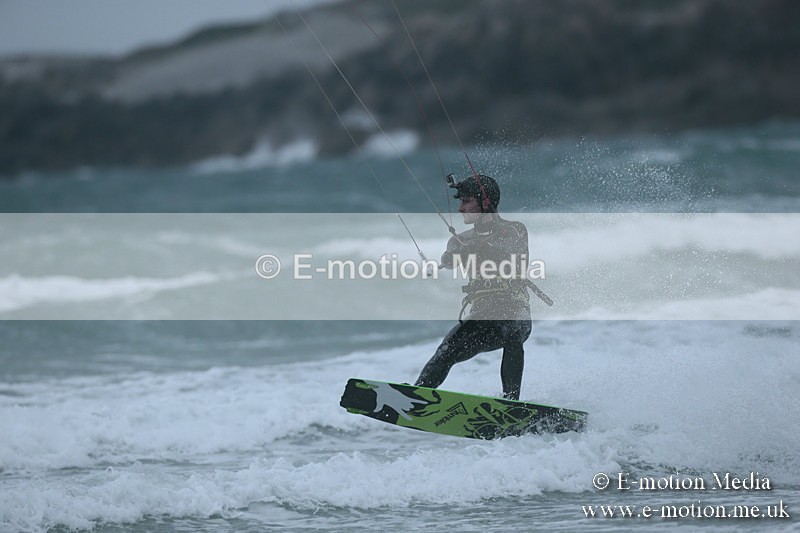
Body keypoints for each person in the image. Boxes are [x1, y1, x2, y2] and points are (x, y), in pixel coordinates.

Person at [414, 174, 532, 400]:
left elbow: (507, 252)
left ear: (485, 202)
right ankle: (416, 396)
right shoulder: (460, 239)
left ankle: (510, 403)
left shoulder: (514, 230)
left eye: (466, 201)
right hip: (482, 319)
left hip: (514, 310)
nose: (460, 208)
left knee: (512, 333)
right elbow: (449, 256)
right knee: (446, 350)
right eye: (460, 201)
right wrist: (451, 256)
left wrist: (475, 249)